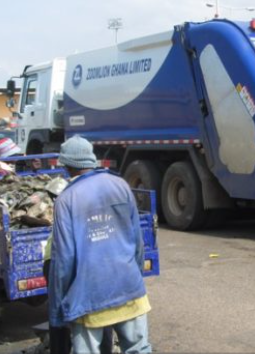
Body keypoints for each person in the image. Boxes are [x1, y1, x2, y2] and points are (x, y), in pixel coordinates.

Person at [49, 136, 151, 354]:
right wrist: (135, 276)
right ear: (91, 160)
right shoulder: (121, 185)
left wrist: (58, 308)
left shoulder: (66, 199)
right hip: (129, 288)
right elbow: (137, 241)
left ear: (66, 166)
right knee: (139, 349)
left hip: (89, 295)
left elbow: (64, 260)